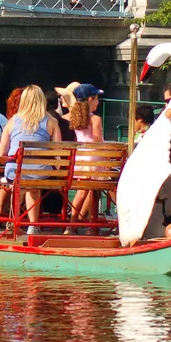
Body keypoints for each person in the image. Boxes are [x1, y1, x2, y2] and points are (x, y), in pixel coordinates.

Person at [0, 85, 62, 235]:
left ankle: (14, 221)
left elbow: (2, 152)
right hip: (39, 171)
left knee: (21, 183)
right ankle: (33, 225)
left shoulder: (12, 121)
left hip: (15, 171)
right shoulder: (51, 121)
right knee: (34, 184)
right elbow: (58, 151)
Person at [66, 83, 105, 231]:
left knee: (81, 192)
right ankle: (91, 226)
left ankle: (72, 224)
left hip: (80, 158)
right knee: (94, 191)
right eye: (96, 98)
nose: (98, 102)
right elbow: (97, 140)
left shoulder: (75, 117)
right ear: (90, 99)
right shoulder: (95, 119)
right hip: (93, 158)